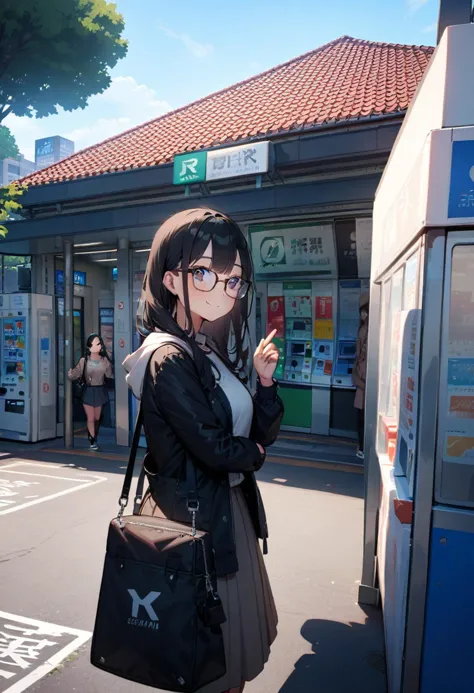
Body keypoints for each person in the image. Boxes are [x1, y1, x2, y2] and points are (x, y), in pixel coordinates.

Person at [123, 208, 284, 693]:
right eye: (204, 273)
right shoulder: (167, 358)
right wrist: (253, 453)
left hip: (222, 514)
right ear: (172, 279)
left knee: (224, 657)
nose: (224, 290)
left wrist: (264, 380)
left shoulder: (204, 350)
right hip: (195, 519)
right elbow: (214, 448)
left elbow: (257, 429)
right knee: (206, 660)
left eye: (233, 280)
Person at [68, 333, 113, 450]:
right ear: (88, 347)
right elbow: (76, 373)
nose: (96, 346)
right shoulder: (84, 360)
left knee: (97, 417)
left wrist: (109, 366)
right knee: (91, 417)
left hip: (100, 390)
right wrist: (70, 374)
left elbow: (109, 375)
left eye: (98, 344)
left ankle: (93, 434)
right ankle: (92, 440)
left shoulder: (104, 360)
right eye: (93, 344)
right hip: (88, 390)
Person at [352, 292, 369, 460]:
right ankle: (363, 446)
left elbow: (361, 356)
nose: (362, 315)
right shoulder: (367, 328)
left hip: (364, 381)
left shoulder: (366, 329)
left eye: (363, 311)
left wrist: (359, 376)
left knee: (362, 417)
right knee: (361, 416)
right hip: (363, 380)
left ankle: (363, 447)